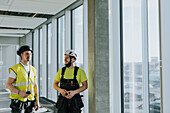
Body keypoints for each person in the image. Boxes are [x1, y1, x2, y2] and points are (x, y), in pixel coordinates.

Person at [6, 45, 39, 113]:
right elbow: (8, 85)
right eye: (26, 54)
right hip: (18, 101)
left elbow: (35, 86)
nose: (29, 56)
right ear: (21, 55)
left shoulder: (33, 70)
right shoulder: (16, 69)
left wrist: (37, 101)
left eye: (30, 54)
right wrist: (20, 92)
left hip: (30, 101)